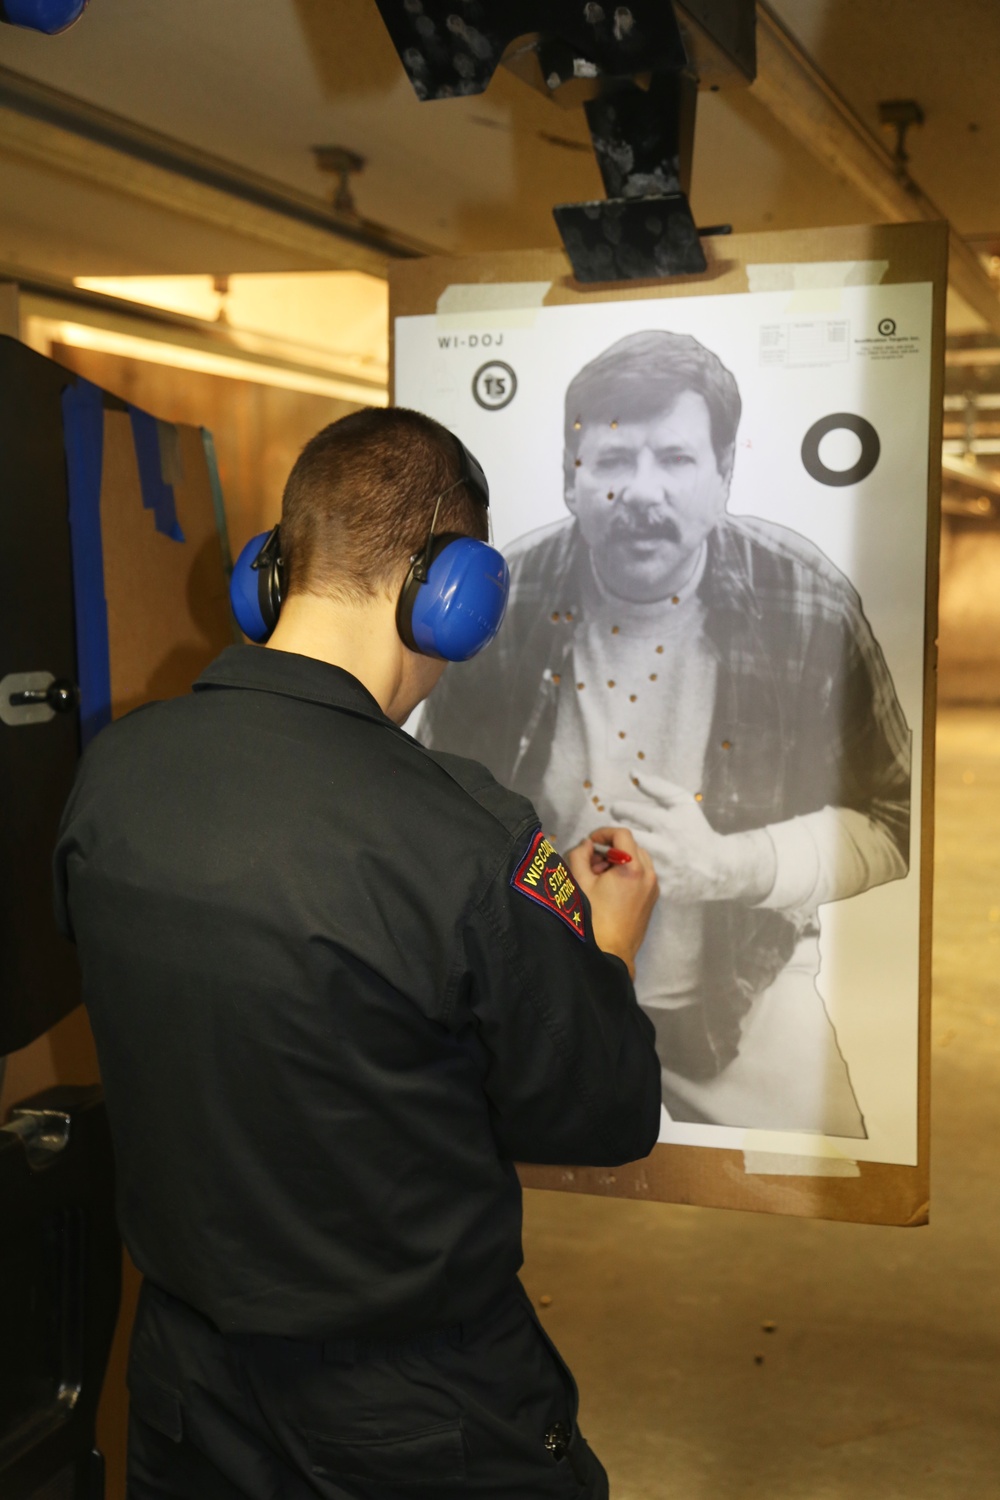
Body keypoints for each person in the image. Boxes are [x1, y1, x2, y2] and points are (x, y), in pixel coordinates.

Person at [53, 406, 661, 1500]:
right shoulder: (469, 836)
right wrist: (597, 949)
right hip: (413, 1404)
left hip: (186, 1376)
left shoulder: (119, 769)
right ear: (453, 593)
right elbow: (596, 1115)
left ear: (268, 578)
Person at [420, 331, 912, 1137]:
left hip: (743, 998)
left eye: (677, 460)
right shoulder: (503, 607)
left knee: (819, 1189)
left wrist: (727, 866)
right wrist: (540, 888)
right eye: (613, 462)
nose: (642, 492)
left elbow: (893, 825)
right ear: (572, 481)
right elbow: (441, 823)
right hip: (543, 993)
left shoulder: (807, 600)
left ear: (722, 478)